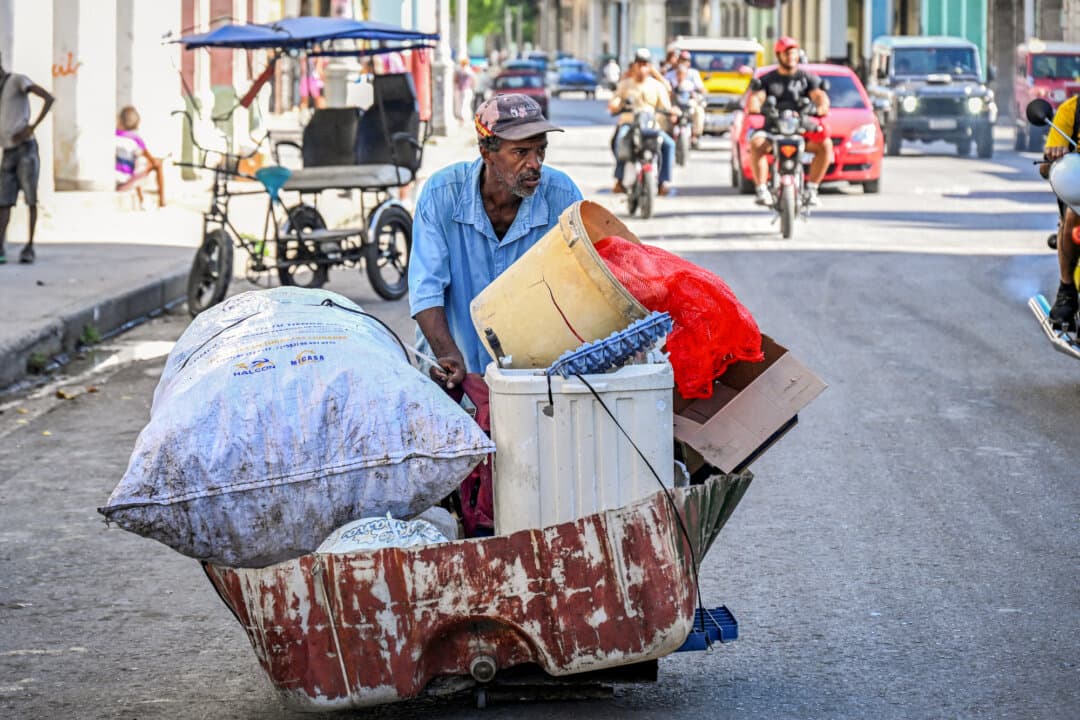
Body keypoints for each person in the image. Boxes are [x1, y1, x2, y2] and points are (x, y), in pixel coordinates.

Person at [409, 94, 583, 388]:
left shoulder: (562, 195)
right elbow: (426, 289)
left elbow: (582, 283)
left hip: (536, 372)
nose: (535, 164)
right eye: (520, 152)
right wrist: (447, 353)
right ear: (486, 153)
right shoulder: (441, 195)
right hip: (458, 364)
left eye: (541, 150)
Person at [746, 36, 832, 208]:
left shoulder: (807, 78)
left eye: (793, 53)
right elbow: (756, 98)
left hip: (801, 126)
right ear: (778, 55)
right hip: (773, 127)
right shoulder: (768, 79)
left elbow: (820, 97)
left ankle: (812, 189)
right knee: (756, 144)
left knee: (825, 145)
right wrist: (755, 106)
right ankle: (762, 189)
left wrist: (821, 108)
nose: (791, 57)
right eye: (786, 53)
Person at [0, 51, 53, 265]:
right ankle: (1, 245)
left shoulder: (17, 81)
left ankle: (29, 246)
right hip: (8, 150)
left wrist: (31, 127)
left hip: (25, 149)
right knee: (4, 202)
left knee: (30, 197)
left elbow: (47, 98)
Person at [607, 48, 678, 196]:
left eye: (645, 64)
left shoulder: (657, 86)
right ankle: (619, 180)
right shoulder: (626, 84)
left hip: (650, 126)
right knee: (620, 141)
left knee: (669, 144)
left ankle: (662, 182)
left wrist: (672, 113)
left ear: (650, 66)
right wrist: (615, 104)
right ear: (634, 65)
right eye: (639, 63)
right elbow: (616, 100)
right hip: (629, 124)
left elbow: (666, 106)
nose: (641, 68)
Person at [1041, 92, 1080, 326]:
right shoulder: (1071, 111)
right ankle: (1066, 290)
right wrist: (1054, 155)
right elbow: (1046, 168)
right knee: (1072, 216)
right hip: (1079, 191)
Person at [115, 106, 166, 209]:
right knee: (156, 163)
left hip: (114, 179)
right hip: (126, 181)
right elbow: (149, 158)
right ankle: (162, 200)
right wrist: (156, 161)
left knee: (137, 164)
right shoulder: (136, 139)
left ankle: (142, 199)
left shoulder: (115, 134)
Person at [665, 51, 706, 145]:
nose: (684, 62)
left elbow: (701, 89)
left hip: (688, 102)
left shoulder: (693, 75)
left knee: (699, 111)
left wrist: (696, 92)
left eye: (686, 60)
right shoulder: (670, 75)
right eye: (682, 60)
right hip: (674, 102)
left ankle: (695, 135)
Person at [453, 56, 476, 126]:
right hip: (466, 89)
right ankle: (464, 119)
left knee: (461, 104)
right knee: (465, 104)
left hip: (461, 89)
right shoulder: (469, 71)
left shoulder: (459, 70)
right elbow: (474, 80)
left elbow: (455, 79)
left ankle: (462, 119)